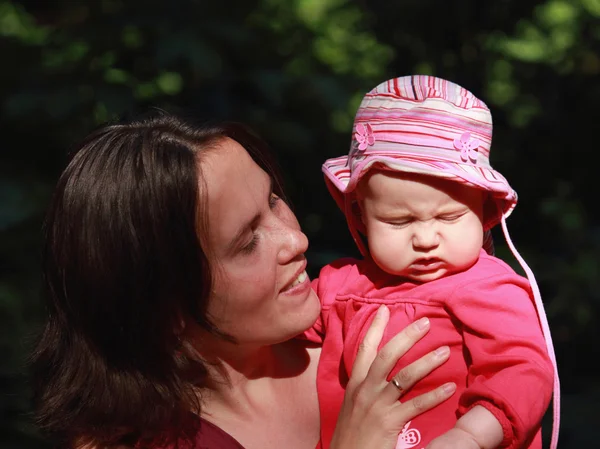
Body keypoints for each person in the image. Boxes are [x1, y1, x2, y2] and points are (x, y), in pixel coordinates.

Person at [30, 111, 458, 449]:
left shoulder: (364, 320)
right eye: (247, 242)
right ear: (167, 307)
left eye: (274, 200)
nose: (296, 239)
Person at [309, 75, 560, 449]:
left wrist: (470, 437)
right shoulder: (337, 285)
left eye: (448, 218)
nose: (426, 240)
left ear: (484, 208)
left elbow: (523, 369)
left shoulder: (489, 286)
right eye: (399, 221)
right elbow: (269, 338)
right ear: (360, 215)